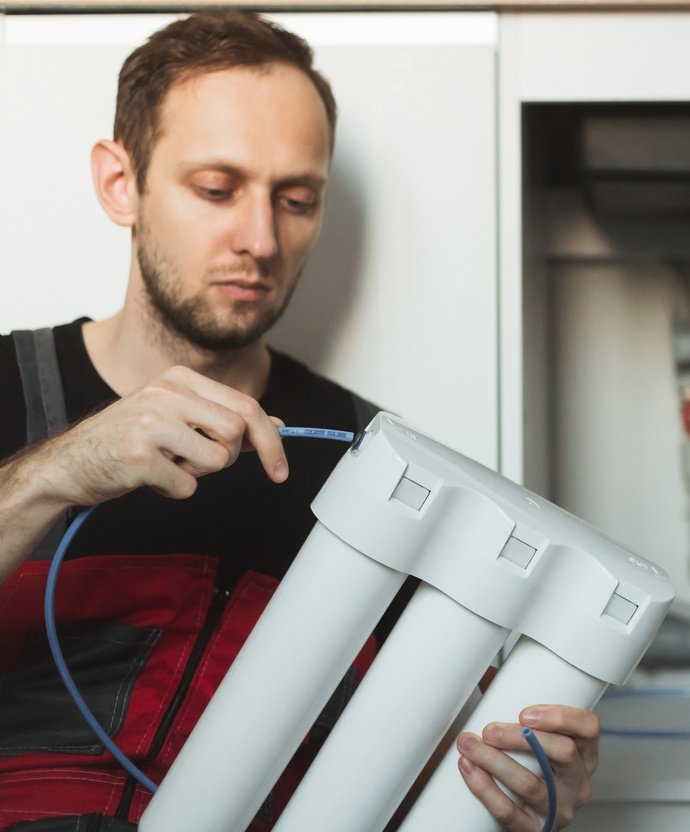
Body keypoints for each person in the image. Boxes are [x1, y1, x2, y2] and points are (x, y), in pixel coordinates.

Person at [0, 11, 598, 831]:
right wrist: (55, 473)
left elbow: (433, 755)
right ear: (120, 184)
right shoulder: (9, 389)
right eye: (216, 189)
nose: (260, 239)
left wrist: (519, 781)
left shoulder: (377, 466)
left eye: (297, 199)